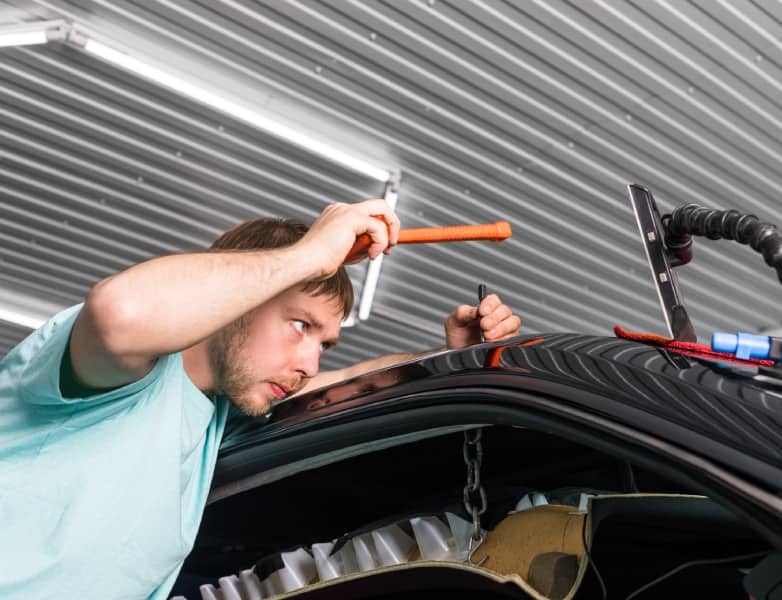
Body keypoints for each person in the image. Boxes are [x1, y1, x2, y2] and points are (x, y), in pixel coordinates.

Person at [0, 199, 522, 600]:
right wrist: (309, 255)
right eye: (299, 325)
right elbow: (120, 313)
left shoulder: (213, 417)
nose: (309, 363)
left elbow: (349, 382)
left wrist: (448, 354)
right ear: (236, 300)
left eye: (323, 343)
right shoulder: (117, 375)